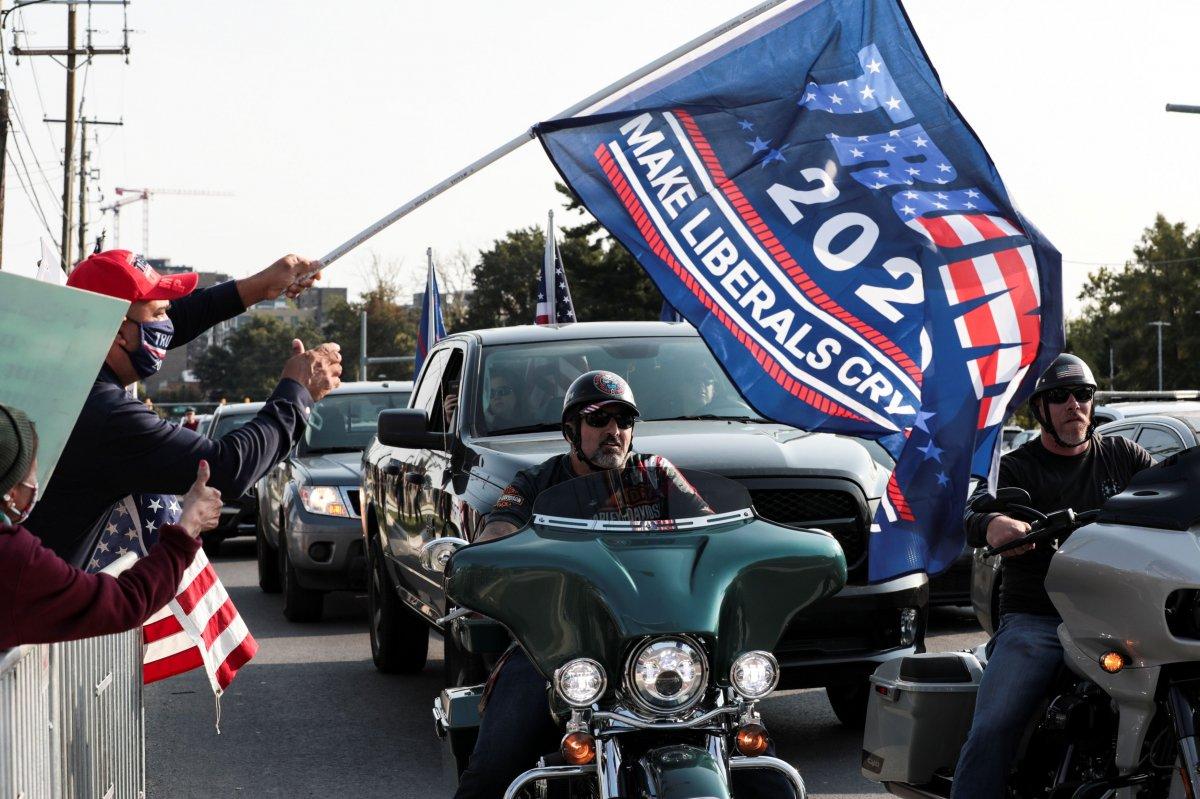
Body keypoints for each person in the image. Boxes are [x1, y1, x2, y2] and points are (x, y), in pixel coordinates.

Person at [455, 370, 784, 799]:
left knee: (760, 762)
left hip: (661, 638)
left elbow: (713, 530)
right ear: (572, 430)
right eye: (599, 419)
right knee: (494, 765)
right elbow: (498, 529)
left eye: (623, 421)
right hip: (561, 643)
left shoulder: (658, 475)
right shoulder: (536, 483)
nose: (613, 431)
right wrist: (492, 554)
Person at [23, 249, 342, 565]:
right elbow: (226, 467)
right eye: (160, 313)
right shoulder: (105, 413)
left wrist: (260, 286)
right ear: (118, 332)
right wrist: (297, 392)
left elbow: (171, 319)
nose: (167, 325)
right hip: (35, 608)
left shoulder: (59, 369)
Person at [951, 354, 1154, 799]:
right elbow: (972, 510)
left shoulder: (1125, 457)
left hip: (1122, 618)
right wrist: (993, 525)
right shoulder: (1017, 467)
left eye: (1081, 394)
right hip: (1040, 619)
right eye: (1059, 396)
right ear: (1038, 408)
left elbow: (1168, 499)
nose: (1073, 405)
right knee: (995, 723)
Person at [0, 404, 223, 648]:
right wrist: (187, 529)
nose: (37, 483)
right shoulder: (12, 555)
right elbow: (123, 602)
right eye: (33, 473)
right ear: (10, 491)